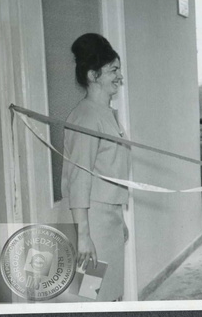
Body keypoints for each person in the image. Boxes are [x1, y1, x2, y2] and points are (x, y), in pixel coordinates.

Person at [61, 33, 129, 301]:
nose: (119, 77)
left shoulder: (106, 114)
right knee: (91, 299)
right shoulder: (86, 117)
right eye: (113, 70)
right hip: (91, 224)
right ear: (92, 75)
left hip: (107, 221)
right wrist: (83, 237)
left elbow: (108, 171)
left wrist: (119, 218)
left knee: (109, 296)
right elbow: (79, 180)